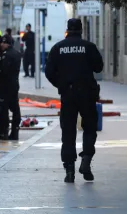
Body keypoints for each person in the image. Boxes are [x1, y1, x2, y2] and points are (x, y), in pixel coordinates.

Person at [44, 18, 104, 183]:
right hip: (87, 94)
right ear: (81, 29)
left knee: (68, 132)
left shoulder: (58, 48)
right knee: (90, 129)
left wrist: (61, 84)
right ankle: (86, 161)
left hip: (68, 94)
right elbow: (99, 67)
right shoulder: (88, 47)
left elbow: (48, 71)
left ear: (67, 30)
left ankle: (69, 170)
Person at [0, 36, 23, 140]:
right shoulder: (17, 54)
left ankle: (4, 132)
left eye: (3, 43)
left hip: (5, 85)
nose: (1, 45)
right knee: (15, 108)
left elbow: (4, 71)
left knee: (4, 109)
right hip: (14, 84)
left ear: (8, 44)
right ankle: (15, 131)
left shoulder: (6, 55)